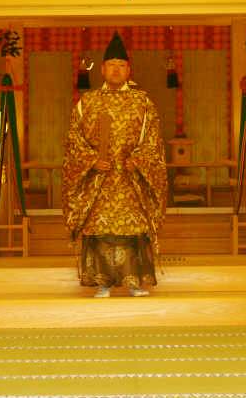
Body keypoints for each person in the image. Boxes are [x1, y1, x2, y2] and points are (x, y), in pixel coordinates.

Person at [62, 33, 168, 298]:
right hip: (99, 181)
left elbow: (153, 140)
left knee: (132, 232)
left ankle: (135, 282)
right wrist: (91, 161)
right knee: (101, 232)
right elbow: (74, 140)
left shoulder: (142, 102)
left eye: (121, 65)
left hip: (131, 179)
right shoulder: (87, 102)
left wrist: (139, 160)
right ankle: (103, 283)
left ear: (129, 70)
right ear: (102, 69)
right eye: (111, 65)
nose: (116, 70)